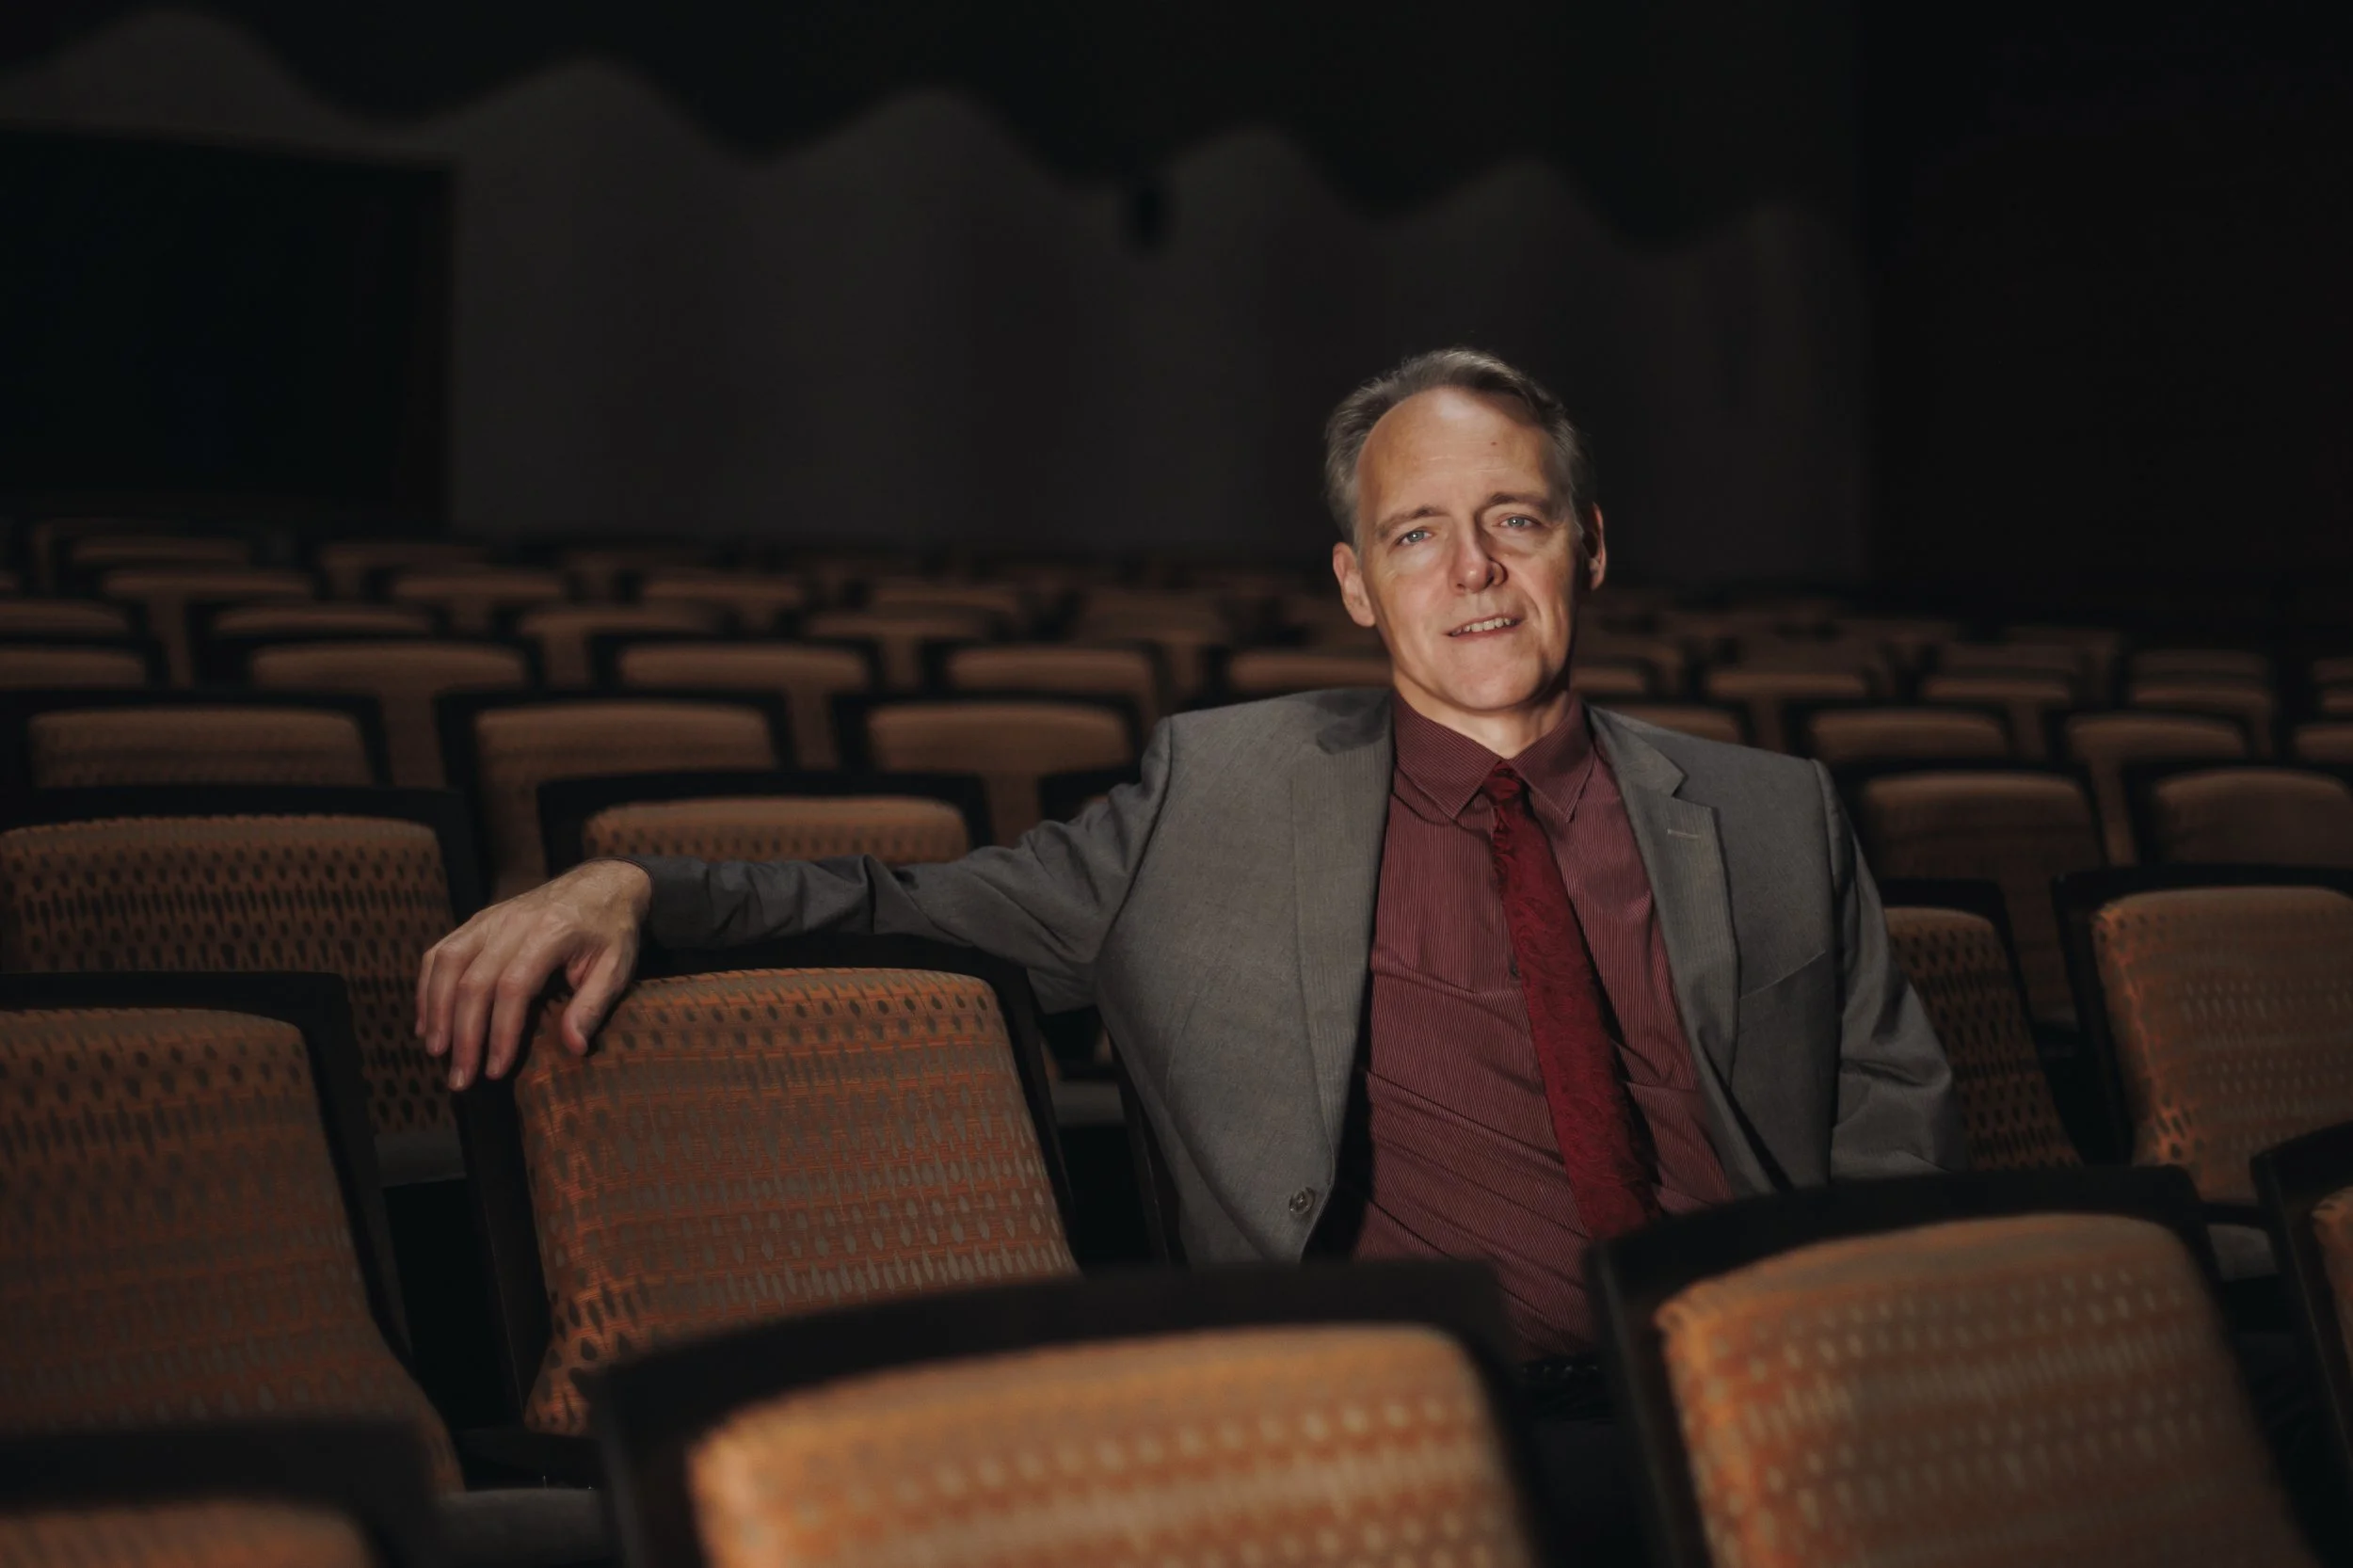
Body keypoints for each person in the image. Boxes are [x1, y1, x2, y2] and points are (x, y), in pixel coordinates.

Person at [415, 347, 1962, 1563]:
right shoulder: (1212, 801)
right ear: (1358, 583)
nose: (1472, 570)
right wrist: (636, 883)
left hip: (1758, 1400)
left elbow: (1897, 1114)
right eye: (1416, 533)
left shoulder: (1771, 812)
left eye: (1516, 519)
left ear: (1590, 545)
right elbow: (915, 908)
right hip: (1404, 1435)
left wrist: (1854, 1373)